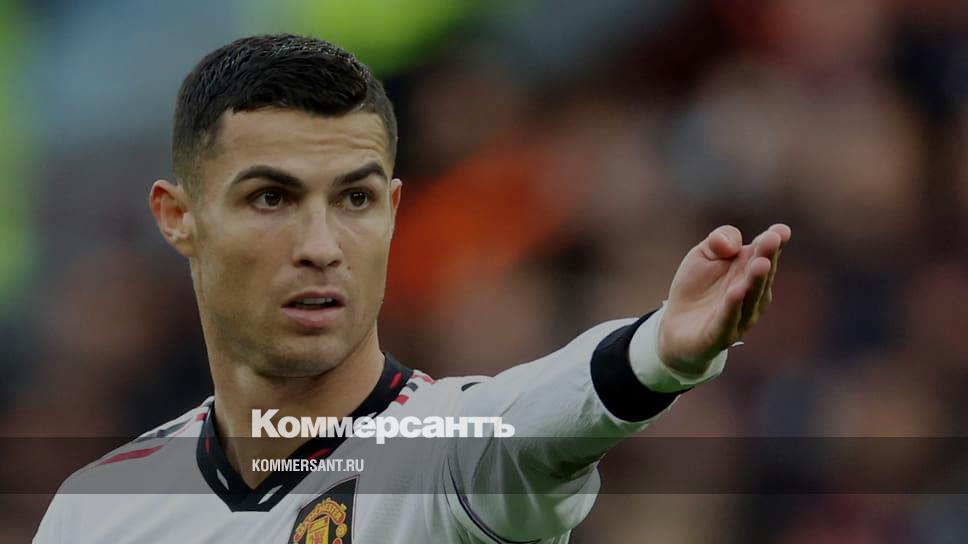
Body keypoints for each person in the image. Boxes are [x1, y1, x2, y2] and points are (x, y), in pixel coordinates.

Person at [34, 34, 790, 543]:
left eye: (355, 199)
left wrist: (655, 355)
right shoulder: (94, 512)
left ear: (394, 212)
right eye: (270, 198)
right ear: (180, 218)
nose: (321, 246)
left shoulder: (442, 455)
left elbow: (533, 422)